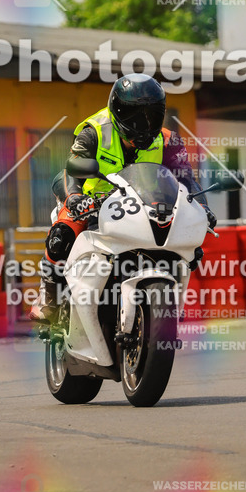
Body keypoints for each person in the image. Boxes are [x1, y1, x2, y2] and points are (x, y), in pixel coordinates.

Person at [31, 73, 217, 322]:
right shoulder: (94, 131)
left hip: (144, 205)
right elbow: (72, 169)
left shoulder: (168, 140)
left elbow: (186, 179)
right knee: (62, 234)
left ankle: (167, 301)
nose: (143, 122)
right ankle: (49, 295)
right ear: (116, 109)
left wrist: (203, 207)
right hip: (92, 203)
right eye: (133, 114)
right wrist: (74, 198)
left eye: (151, 114)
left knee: (188, 244)